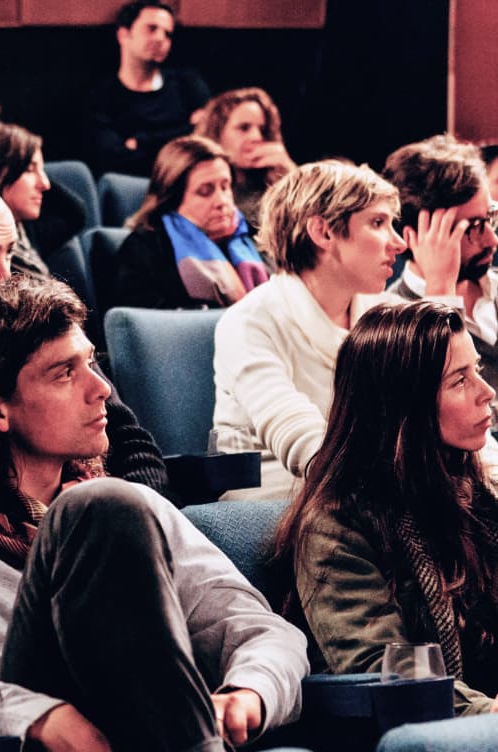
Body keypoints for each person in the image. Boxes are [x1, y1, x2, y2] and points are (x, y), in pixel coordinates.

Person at [0, 274, 308, 752]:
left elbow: (265, 631)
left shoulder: (129, 507)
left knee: (101, 505)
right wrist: (45, 720)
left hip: (149, 751)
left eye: (91, 363)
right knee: (95, 507)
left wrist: (250, 691)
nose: (102, 389)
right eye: (64, 374)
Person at [275, 300, 498, 716]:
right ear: (405, 408)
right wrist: (488, 716)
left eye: (478, 373)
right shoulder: (334, 527)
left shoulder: (470, 492)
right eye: (459, 381)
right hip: (430, 749)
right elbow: (387, 674)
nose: (487, 394)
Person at [0, 170, 170, 497]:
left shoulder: (31, 320)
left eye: (9, 253)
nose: (4, 276)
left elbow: (132, 443)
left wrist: (119, 514)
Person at [213, 160, 406, 500]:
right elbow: (296, 433)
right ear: (323, 232)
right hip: (272, 499)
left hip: (364, 489)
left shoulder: (384, 313)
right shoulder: (249, 320)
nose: (398, 243)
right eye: (378, 222)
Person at [383, 134, 498, 391]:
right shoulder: (391, 323)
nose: (492, 240)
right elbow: (438, 412)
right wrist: (441, 293)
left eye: (489, 218)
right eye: (474, 227)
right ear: (413, 237)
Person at [114, 135, 269, 309]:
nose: (222, 201)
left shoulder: (254, 239)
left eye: (225, 187)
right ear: (173, 199)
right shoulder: (143, 250)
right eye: (205, 191)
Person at [83, 1, 209, 177]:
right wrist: (184, 132)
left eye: (168, 34)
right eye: (151, 29)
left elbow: (205, 138)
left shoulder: (187, 84)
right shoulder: (101, 96)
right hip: (128, 188)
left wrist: (140, 142)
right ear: (123, 35)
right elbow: (110, 158)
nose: (160, 39)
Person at [0, 121, 85, 278]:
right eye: (29, 170)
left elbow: (75, 213)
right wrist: (0, 145)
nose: (45, 184)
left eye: (41, 169)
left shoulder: (25, 228)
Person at [195, 87, 296, 231]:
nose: (257, 137)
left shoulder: (274, 183)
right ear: (216, 133)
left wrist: (290, 174)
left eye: (262, 129)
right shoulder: (198, 188)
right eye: (244, 128)